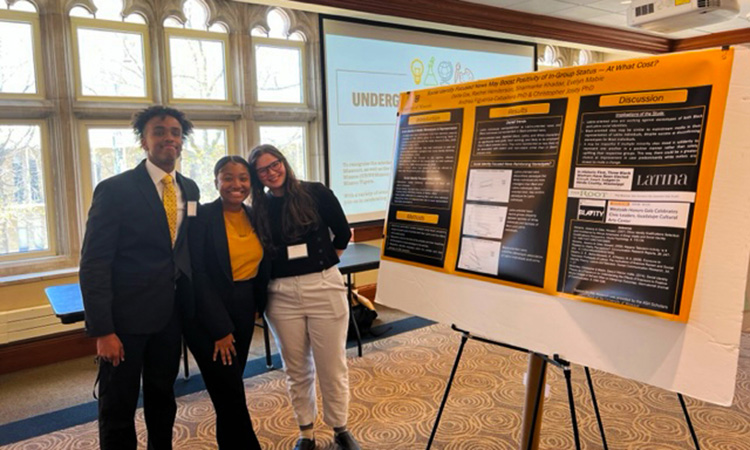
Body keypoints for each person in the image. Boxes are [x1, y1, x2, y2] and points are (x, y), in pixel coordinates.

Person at [79, 105, 200, 450]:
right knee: (118, 404)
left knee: (163, 397)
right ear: (144, 141)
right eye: (159, 131)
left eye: (175, 132)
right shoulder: (115, 189)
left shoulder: (189, 189)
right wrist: (102, 330)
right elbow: (94, 263)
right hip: (124, 322)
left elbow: (183, 250)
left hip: (169, 317)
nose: (168, 138)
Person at [248, 144, 360, 450]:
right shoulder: (258, 207)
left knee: (332, 364)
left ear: (284, 163)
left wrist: (324, 262)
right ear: (256, 176)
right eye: (263, 170)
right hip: (280, 294)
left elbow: (342, 233)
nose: (272, 172)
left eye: (275, 164)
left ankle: (340, 427)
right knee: (296, 367)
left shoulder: (316, 193)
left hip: (323, 286)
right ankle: (306, 432)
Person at [183, 156, 269, 449]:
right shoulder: (202, 217)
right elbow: (198, 273)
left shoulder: (255, 215)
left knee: (228, 387)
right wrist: (219, 329)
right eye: (228, 177)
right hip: (207, 313)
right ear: (216, 181)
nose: (237, 184)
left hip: (244, 307)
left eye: (243, 178)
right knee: (229, 390)